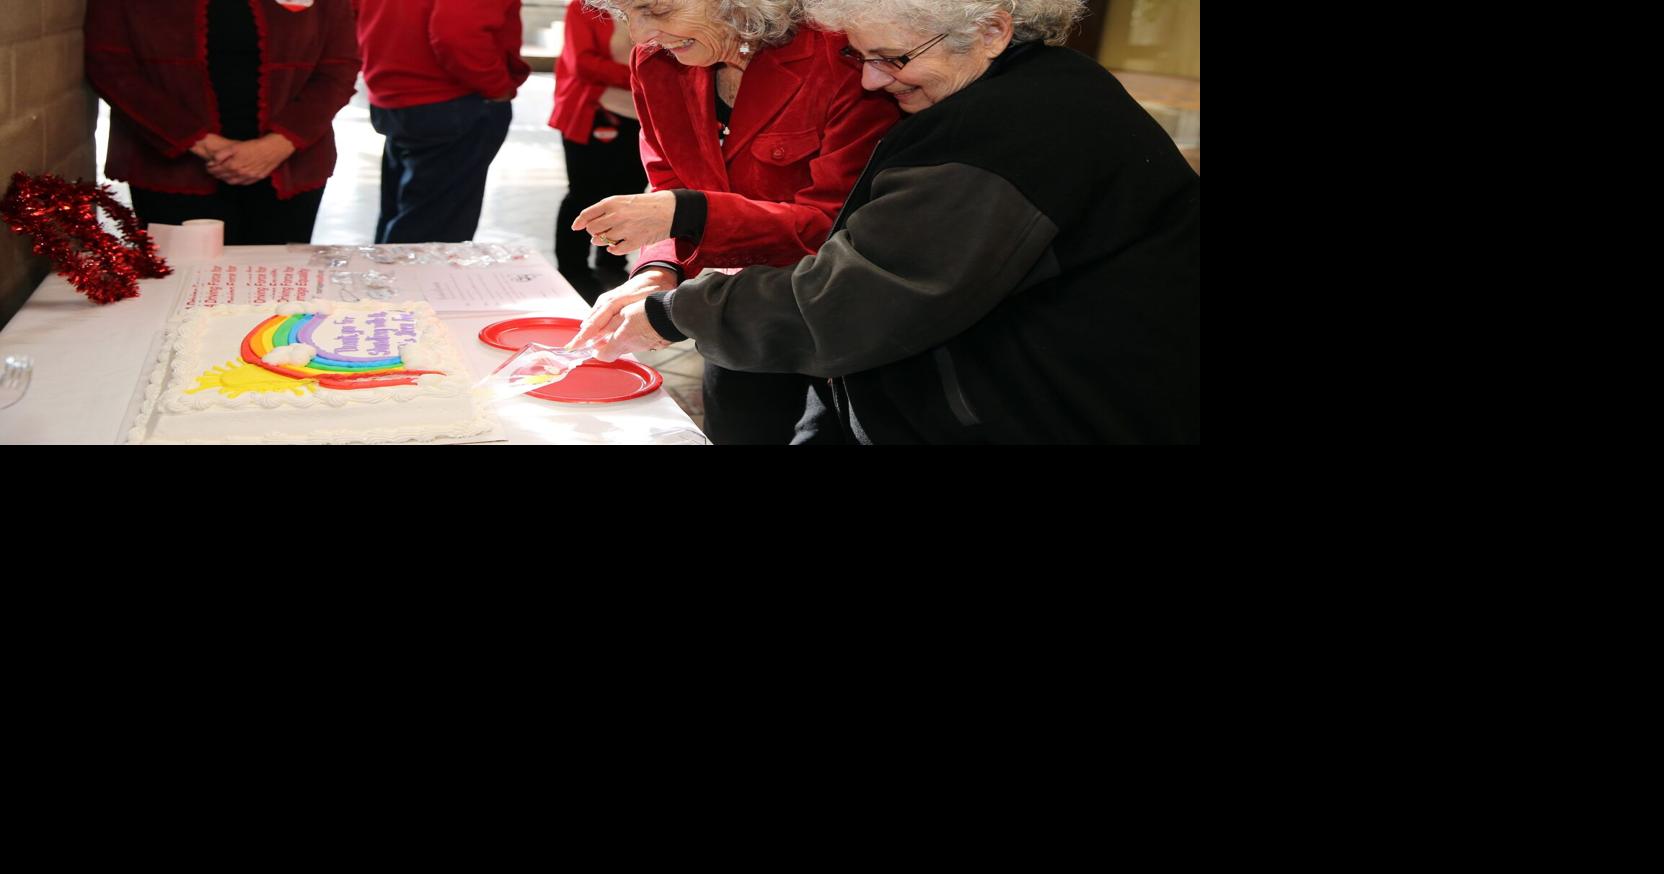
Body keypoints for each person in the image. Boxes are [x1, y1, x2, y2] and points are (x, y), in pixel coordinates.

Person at [569, 0, 1201, 443]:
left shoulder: (1014, 128)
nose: (872, 80)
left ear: (993, 30)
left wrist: (671, 311)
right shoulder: (998, 95)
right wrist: (660, 269)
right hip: (840, 345)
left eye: (890, 58)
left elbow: (863, 292)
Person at [572, 0, 899, 444]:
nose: (641, 35)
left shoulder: (843, 56)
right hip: (734, 314)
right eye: (629, 15)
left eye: (659, 10)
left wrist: (692, 212)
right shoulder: (657, 62)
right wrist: (659, 270)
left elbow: (839, 226)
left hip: (841, 320)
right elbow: (668, 180)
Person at [85, 0, 360, 245]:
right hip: (174, 170)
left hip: (288, 166)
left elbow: (339, 67)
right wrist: (200, 142)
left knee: (274, 293)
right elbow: (109, 65)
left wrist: (277, 144)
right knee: (183, 289)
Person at [356, 0, 531, 244]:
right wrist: (497, 86)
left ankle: (389, 279)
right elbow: (456, 34)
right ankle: (409, 282)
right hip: (451, 99)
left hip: (394, 95)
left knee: (404, 219)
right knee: (431, 238)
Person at [550, 0, 649, 303]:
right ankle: (573, 270)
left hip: (642, 116)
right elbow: (583, 62)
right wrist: (645, 76)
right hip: (592, 112)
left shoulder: (656, 5)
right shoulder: (584, 7)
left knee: (629, 193)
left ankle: (612, 264)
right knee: (584, 193)